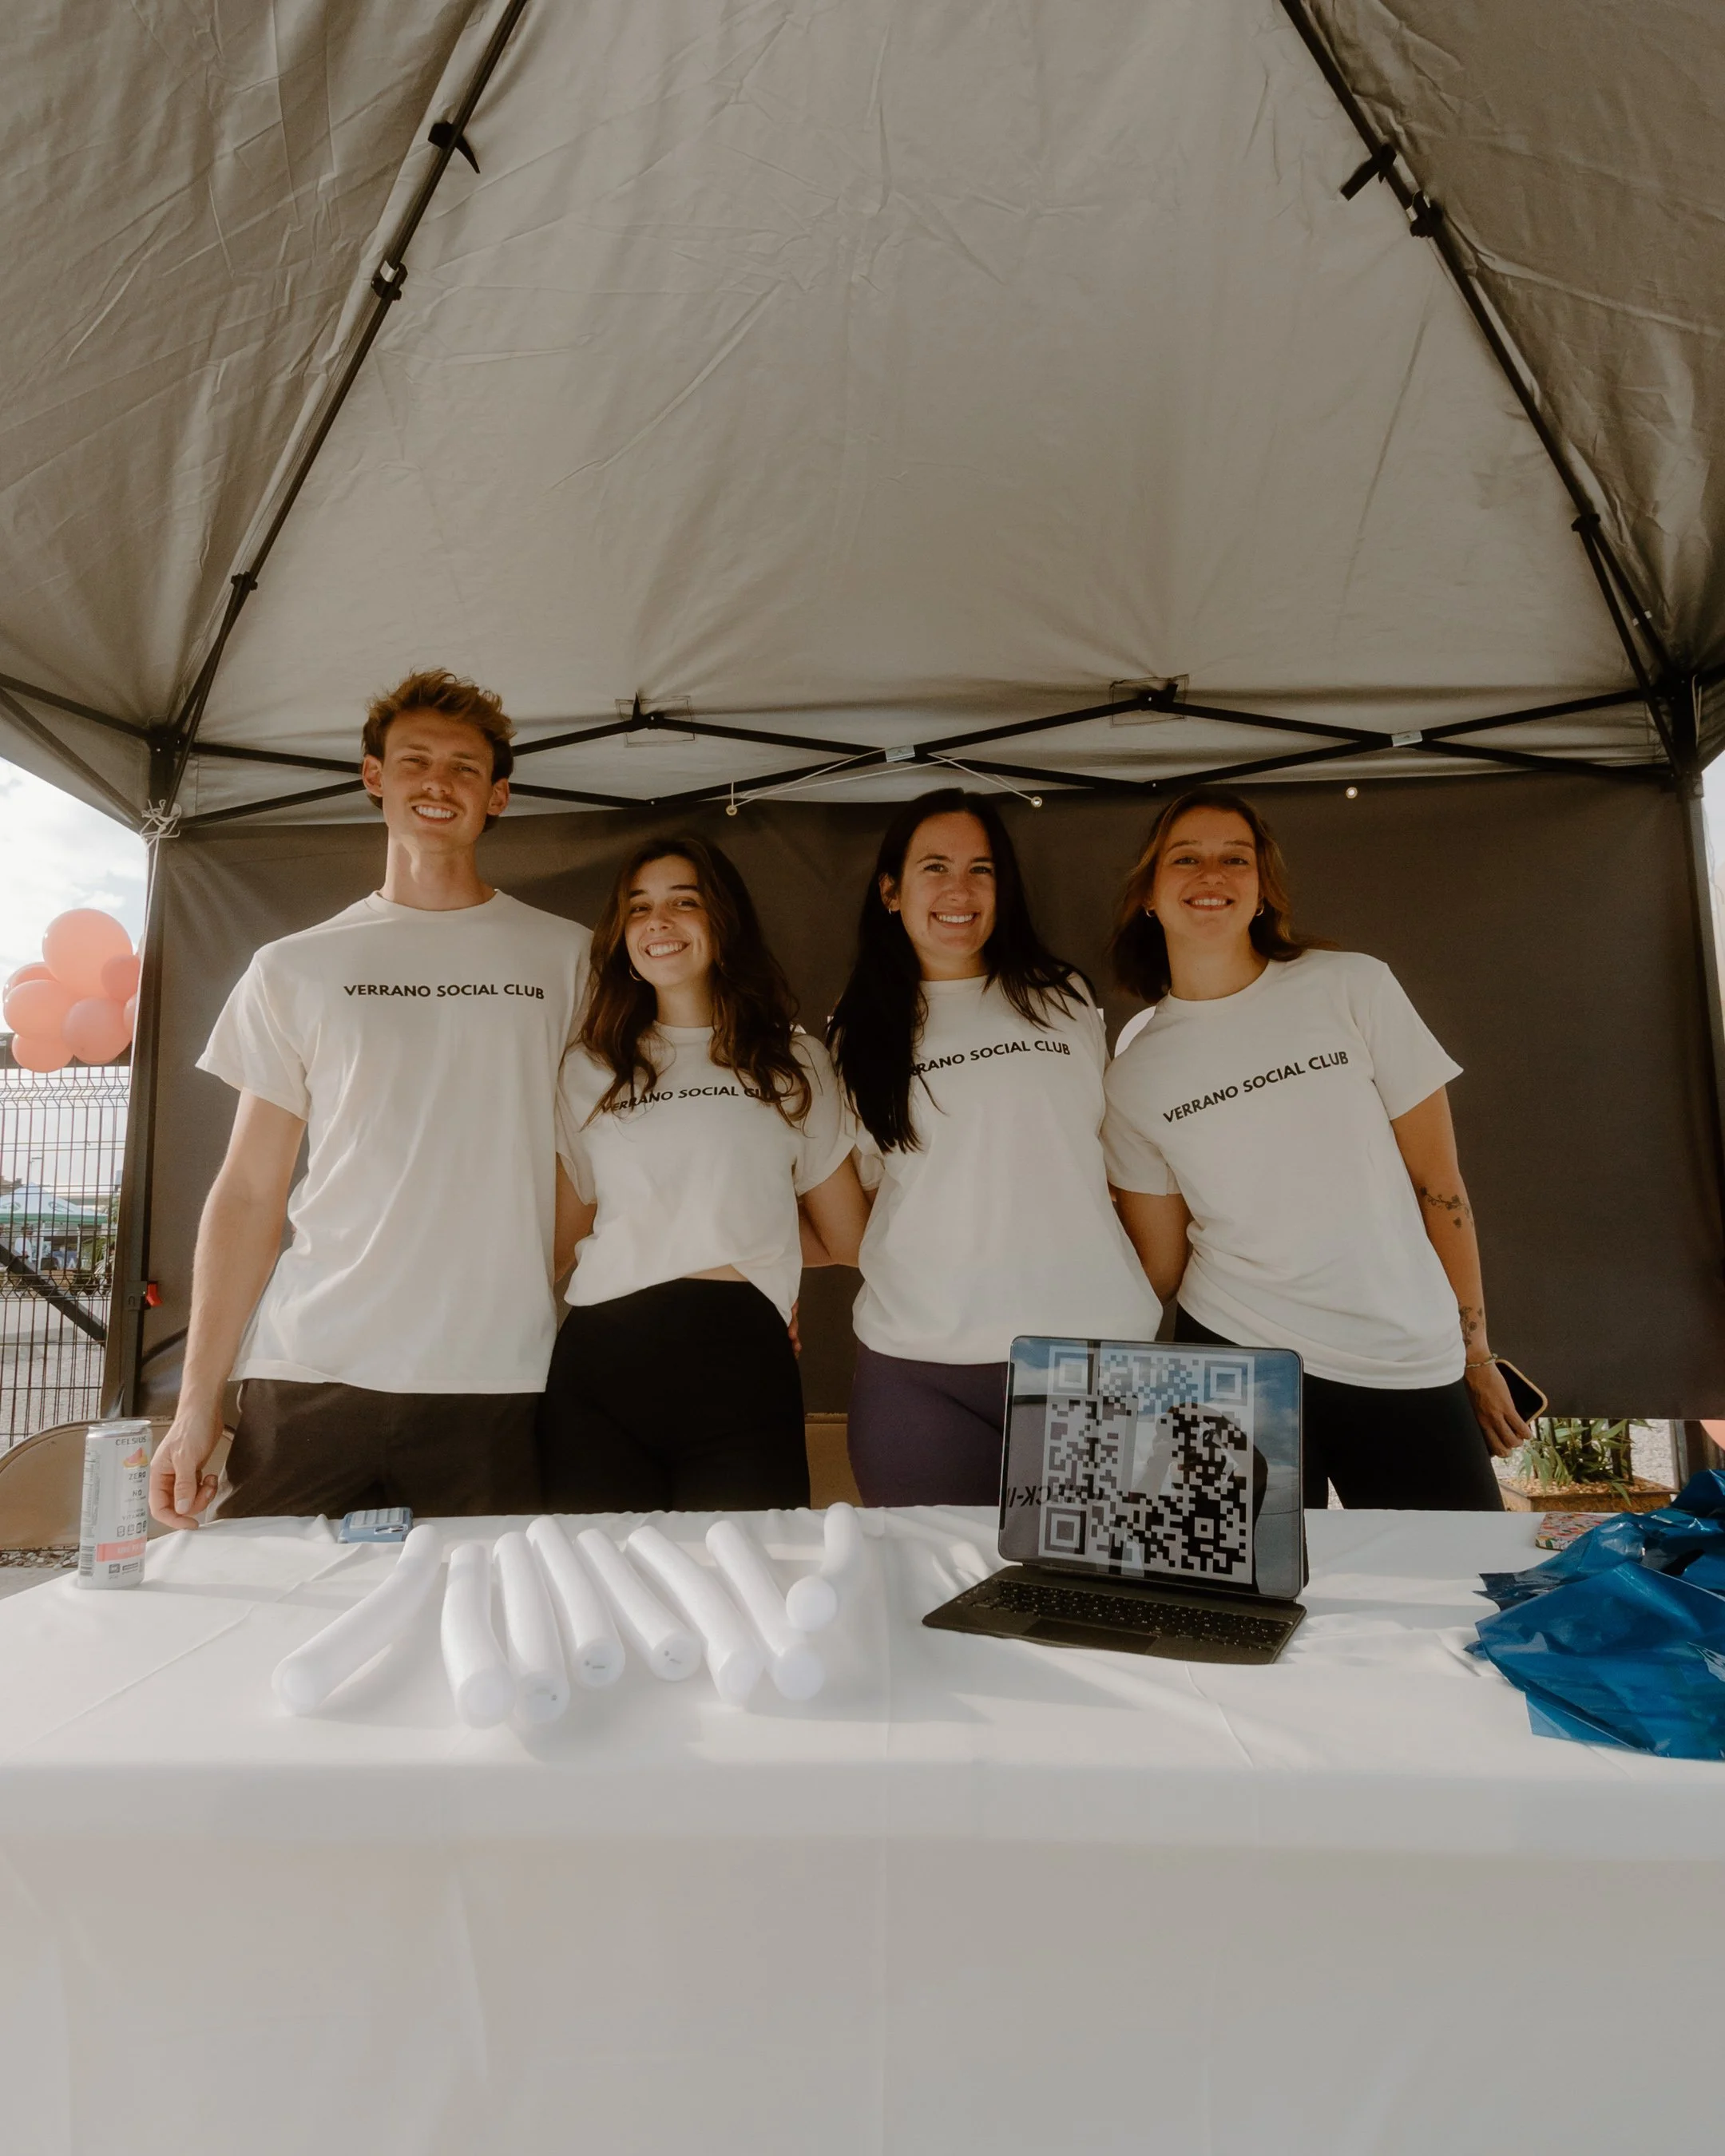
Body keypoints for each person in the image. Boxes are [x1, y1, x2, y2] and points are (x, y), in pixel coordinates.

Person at [148, 669, 593, 1528]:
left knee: (480, 1643)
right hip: (310, 1372)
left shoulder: (568, 961)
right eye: (415, 760)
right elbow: (247, 1191)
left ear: (497, 795)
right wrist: (196, 1404)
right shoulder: (293, 967)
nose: (439, 783)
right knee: (269, 1632)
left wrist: (517, 1277)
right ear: (374, 778)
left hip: (494, 1378)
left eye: (465, 768)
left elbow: (597, 1162)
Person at [1102, 786, 1529, 1510]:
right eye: (1186, 858)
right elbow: (1162, 1264)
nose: (1213, 875)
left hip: (1402, 1353)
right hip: (1236, 1359)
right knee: (1243, 1604)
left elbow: (1440, 1184)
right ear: (1150, 892)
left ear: (1263, 887)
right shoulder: (1132, 1070)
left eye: (1235, 858)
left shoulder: (1353, 986)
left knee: (1459, 1595)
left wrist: (1476, 1355)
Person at [827, 789, 1159, 1504]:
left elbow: (1105, 1156)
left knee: (1090, 1603)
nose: (959, 889)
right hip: (921, 1368)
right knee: (935, 1601)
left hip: (1087, 1356)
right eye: (935, 867)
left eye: (981, 869)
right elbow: (859, 1199)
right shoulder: (859, 1034)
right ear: (891, 890)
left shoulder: (1063, 997)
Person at [539, 836, 868, 1511]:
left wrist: (749, 1251)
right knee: (605, 1594)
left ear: (723, 919)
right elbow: (565, 1238)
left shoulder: (792, 1063)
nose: (657, 922)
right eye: (639, 908)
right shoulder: (589, 1066)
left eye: (682, 902)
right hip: (600, 1368)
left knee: (745, 1593)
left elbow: (846, 1238)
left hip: (741, 1367)